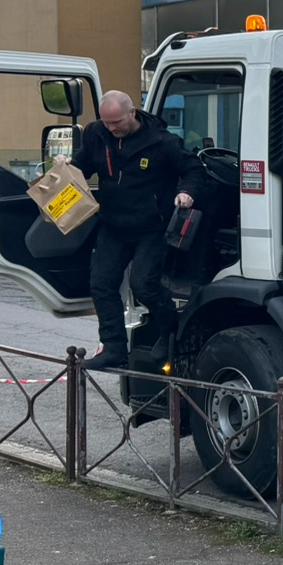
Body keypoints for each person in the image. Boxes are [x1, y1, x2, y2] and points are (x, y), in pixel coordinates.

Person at [75, 89, 200, 372]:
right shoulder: (96, 134)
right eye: (107, 123)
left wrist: (187, 192)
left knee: (143, 285)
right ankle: (113, 347)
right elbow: (82, 166)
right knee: (101, 284)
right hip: (113, 224)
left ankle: (169, 328)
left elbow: (193, 169)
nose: (112, 128)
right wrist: (64, 167)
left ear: (132, 113)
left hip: (152, 227)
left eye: (117, 122)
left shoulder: (162, 141)